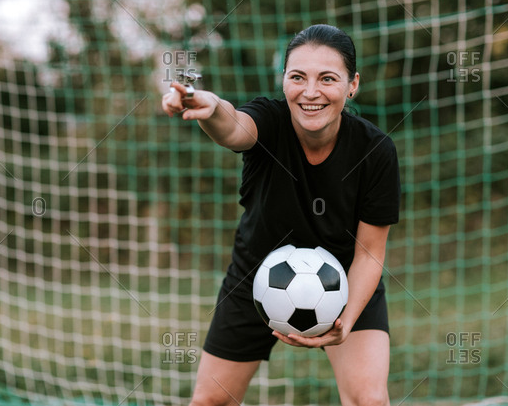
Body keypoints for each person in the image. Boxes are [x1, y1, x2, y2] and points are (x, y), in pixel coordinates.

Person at [161, 24, 400, 406]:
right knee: (210, 401)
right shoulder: (269, 122)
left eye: (327, 78)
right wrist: (209, 107)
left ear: (352, 84)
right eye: (297, 77)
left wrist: (347, 322)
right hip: (256, 276)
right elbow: (234, 125)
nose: (310, 92)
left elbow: (370, 252)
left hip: (344, 283)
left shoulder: (377, 151)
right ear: (283, 81)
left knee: (368, 400)